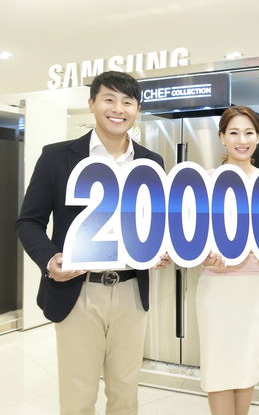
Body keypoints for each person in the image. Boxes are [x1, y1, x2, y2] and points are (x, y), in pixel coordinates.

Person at [16, 71, 169, 415]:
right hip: (78, 290)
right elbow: (28, 222)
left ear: (137, 109)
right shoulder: (57, 156)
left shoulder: (151, 162)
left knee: (125, 393)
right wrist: (50, 259)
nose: (118, 109)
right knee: (78, 396)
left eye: (127, 102)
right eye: (109, 99)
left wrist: (161, 249)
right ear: (91, 104)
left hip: (131, 290)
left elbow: (154, 224)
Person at [196, 105, 259, 415]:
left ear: (258, 138)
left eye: (248, 133)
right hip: (217, 289)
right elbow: (192, 237)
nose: (242, 140)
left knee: (247, 364)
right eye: (233, 132)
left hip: (257, 287)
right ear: (222, 137)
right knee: (219, 366)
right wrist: (205, 258)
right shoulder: (207, 181)